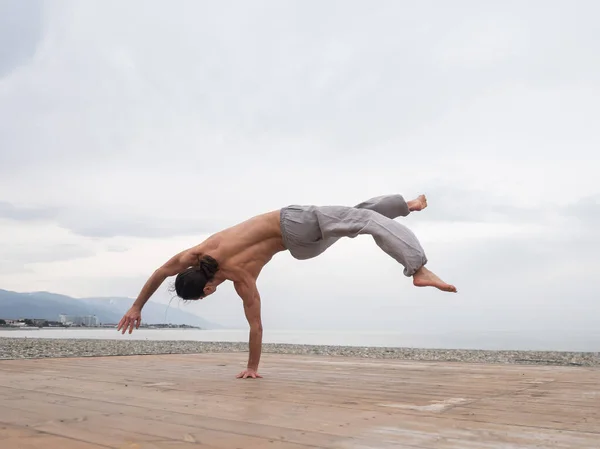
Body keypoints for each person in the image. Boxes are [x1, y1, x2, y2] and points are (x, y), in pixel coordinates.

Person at [117, 193, 457, 378]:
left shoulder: (242, 280)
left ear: (206, 289)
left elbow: (256, 327)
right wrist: (136, 306)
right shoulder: (198, 252)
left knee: (355, 219)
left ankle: (404, 207)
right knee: (361, 219)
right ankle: (418, 267)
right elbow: (161, 271)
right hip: (292, 221)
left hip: (301, 248)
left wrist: (253, 368)